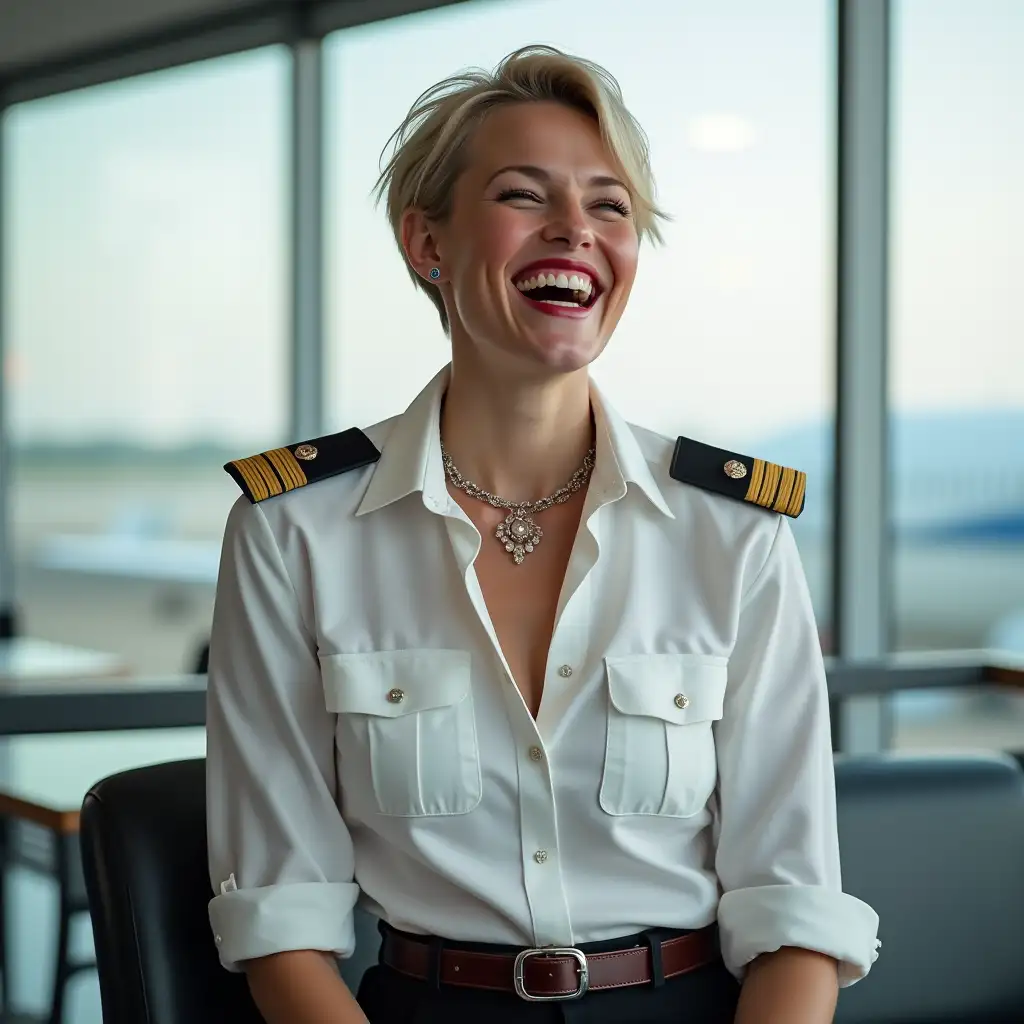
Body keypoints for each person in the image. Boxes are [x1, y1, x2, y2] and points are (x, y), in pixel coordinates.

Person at [205, 45, 880, 1024]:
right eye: (525, 195)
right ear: (425, 244)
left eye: (610, 206)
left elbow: (796, 913)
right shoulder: (291, 529)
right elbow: (282, 921)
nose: (575, 228)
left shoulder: (731, 531)